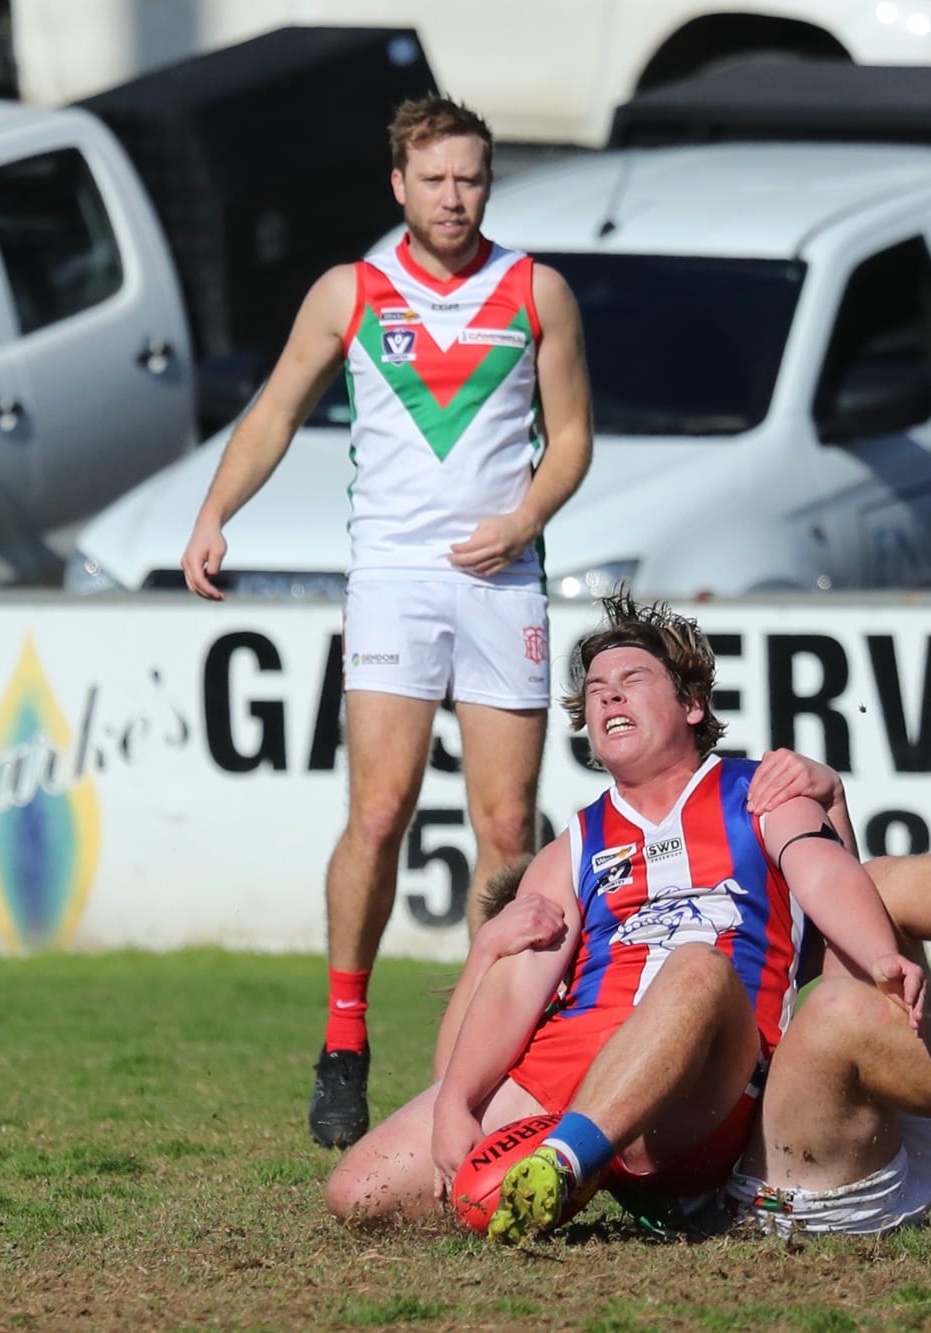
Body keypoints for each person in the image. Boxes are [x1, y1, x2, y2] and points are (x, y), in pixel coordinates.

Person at [323, 592, 931, 1233]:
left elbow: (827, 872)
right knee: (356, 1191)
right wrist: (457, 1100)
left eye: (633, 679)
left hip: (708, 1082)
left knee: (705, 962)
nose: (608, 695)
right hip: (575, 1077)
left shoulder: (756, 788)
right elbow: (514, 993)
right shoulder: (572, 846)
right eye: (597, 688)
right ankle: (566, 1162)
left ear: (692, 705)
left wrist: (879, 954)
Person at [176, 95, 594, 1149]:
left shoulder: (535, 290)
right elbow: (274, 410)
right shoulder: (351, 291)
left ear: (489, 183)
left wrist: (523, 522)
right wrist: (215, 514)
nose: (455, 198)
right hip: (394, 581)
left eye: (471, 178)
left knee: (508, 829)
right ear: (398, 185)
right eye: (435, 179)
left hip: (504, 583)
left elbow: (572, 441)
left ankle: (483, 1057)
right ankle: (344, 1041)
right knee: (379, 812)